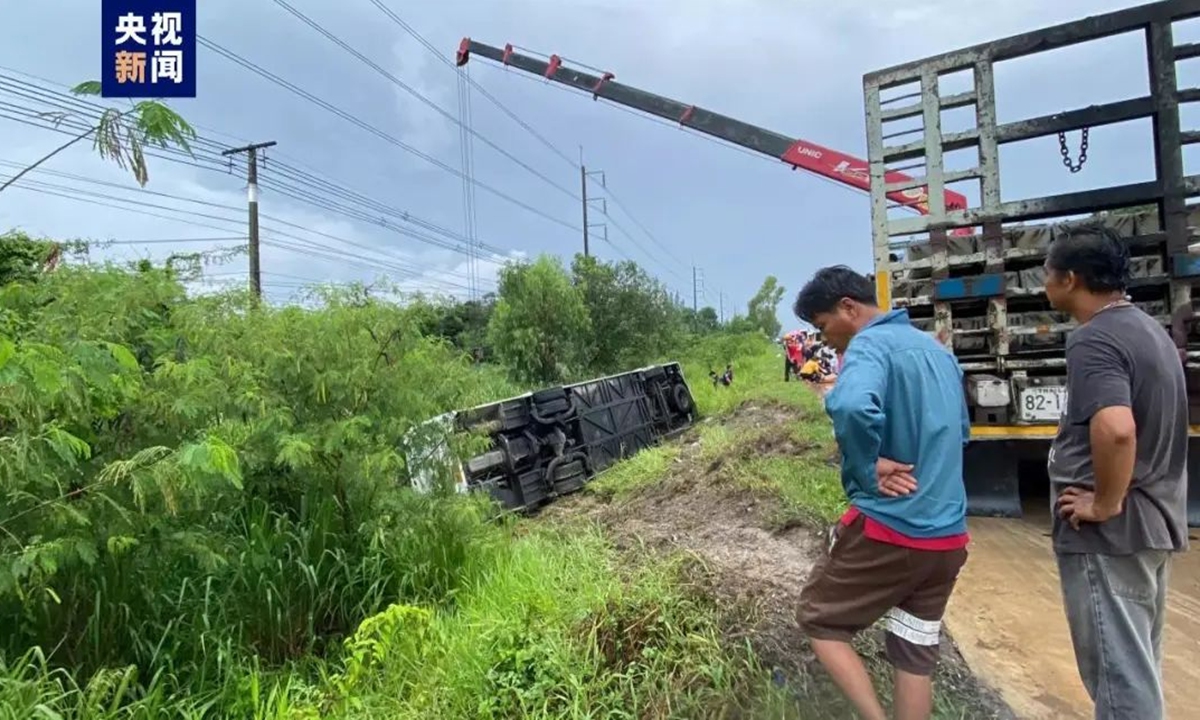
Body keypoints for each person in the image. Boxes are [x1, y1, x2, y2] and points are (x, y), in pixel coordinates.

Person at [791, 265, 970, 720]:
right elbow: (962, 433)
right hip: (948, 539)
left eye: (823, 326)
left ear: (848, 308)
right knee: (913, 651)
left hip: (893, 529)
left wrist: (865, 468)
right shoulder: (937, 351)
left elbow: (851, 405)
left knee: (819, 618)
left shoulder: (869, 345)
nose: (825, 339)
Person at [1042, 226, 1188, 720]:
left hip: (1112, 536)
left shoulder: (1094, 338)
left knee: (1120, 682)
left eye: (1048, 273)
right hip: (1150, 523)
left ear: (1070, 278)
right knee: (1136, 672)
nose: (1044, 283)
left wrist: (1104, 502)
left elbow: (1118, 429)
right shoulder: (1148, 330)